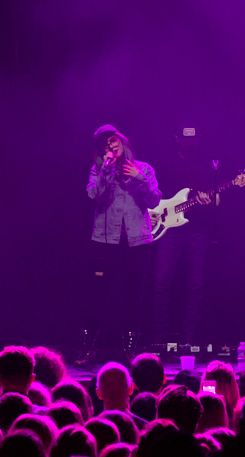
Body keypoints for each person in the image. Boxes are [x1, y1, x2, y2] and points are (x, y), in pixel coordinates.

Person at [82, 125, 161, 359]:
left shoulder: (143, 169)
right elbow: (93, 195)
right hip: (105, 242)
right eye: (105, 144)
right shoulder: (98, 170)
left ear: (122, 141)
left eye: (113, 140)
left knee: (133, 296)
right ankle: (89, 350)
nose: (110, 145)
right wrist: (106, 171)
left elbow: (155, 200)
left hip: (137, 243)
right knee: (98, 296)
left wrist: (139, 179)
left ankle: (129, 351)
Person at [152, 125, 219, 346]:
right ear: (177, 139)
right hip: (168, 230)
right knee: (161, 283)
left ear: (198, 140)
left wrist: (210, 201)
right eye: (186, 138)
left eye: (193, 138)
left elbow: (217, 198)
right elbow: (153, 195)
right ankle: (159, 338)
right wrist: (154, 213)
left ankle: (190, 338)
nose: (190, 142)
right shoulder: (165, 163)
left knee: (196, 285)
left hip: (197, 231)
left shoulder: (207, 164)